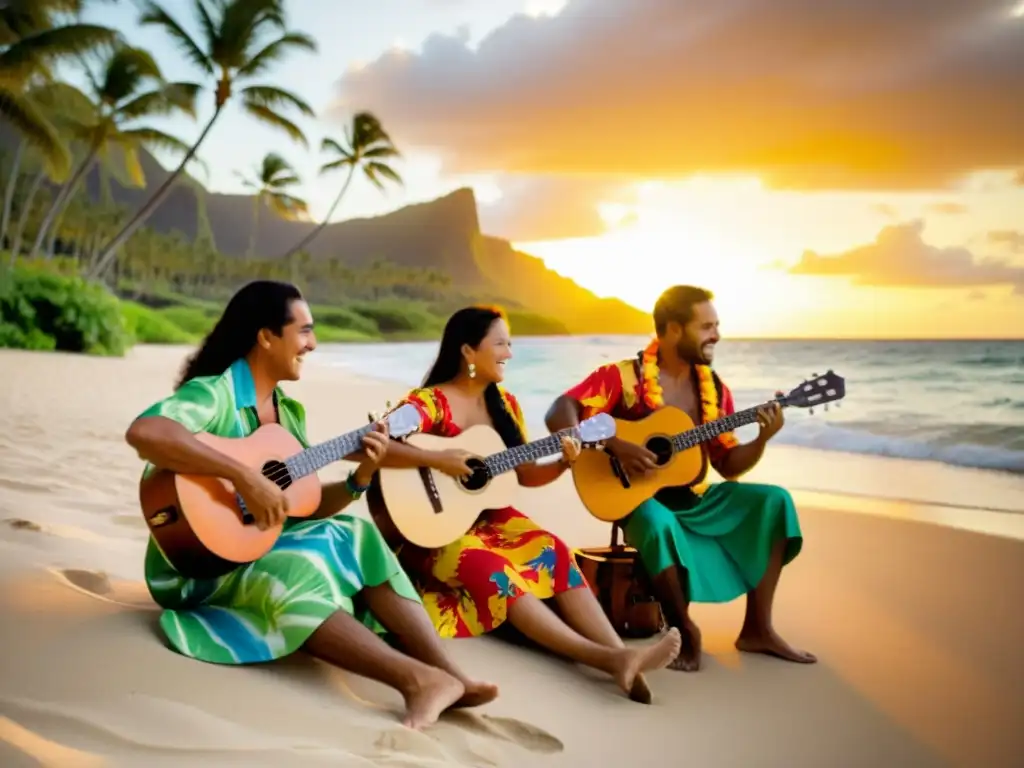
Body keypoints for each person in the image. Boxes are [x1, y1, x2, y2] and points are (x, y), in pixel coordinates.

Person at [124, 280, 497, 730]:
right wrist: (242, 474)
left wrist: (360, 479)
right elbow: (146, 433)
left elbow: (301, 508)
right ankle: (416, 680)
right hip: (196, 566)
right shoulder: (215, 392)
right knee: (296, 565)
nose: (313, 344)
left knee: (358, 533)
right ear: (266, 336)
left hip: (249, 545)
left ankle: (453, 676)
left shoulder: (287, 413)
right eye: (303, 331)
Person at [361, 306, 681, 702]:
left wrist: (565, 462)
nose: (509, 353)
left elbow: (526, 475)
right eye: (500, 343)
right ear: (467, 351)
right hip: (429, 530)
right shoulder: (430, 403)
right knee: (495, 570)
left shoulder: (506, 405)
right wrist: (438, 459)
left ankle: (621, 653)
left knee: (554, 551)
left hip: (488, 517)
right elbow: (375, 444)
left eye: (510, 343)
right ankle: (609, 660)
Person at [545, 285, 815, 672]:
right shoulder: (623, 377)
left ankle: (758, 628)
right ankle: (685, 631)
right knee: (659, 521)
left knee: (775, 501)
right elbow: (560, 412)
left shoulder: (714, 389)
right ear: (672, 329)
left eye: (717, 325)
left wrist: (762, 438)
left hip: (692, 497)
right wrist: (615, 443)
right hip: (636, 501)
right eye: (706, 326)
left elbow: (728, 465)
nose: (716, 335)